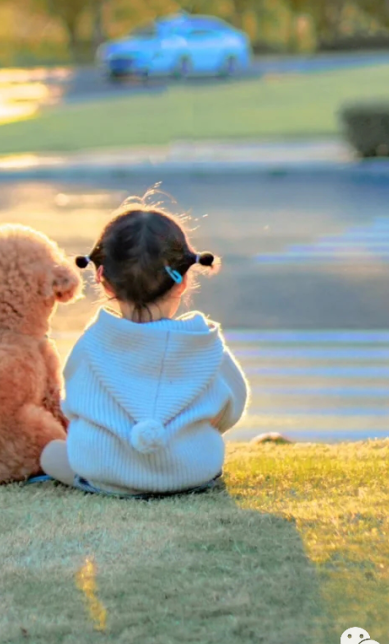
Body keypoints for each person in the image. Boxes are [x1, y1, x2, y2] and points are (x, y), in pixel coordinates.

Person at [40, 197, 248, 496]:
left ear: (104, 280)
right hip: (192, 473)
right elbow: (230, 411)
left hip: (104, 474)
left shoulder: (91, 343)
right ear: (183, 280)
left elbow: (74, 408)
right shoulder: (205, 343)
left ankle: (107, 478)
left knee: (50, 454)